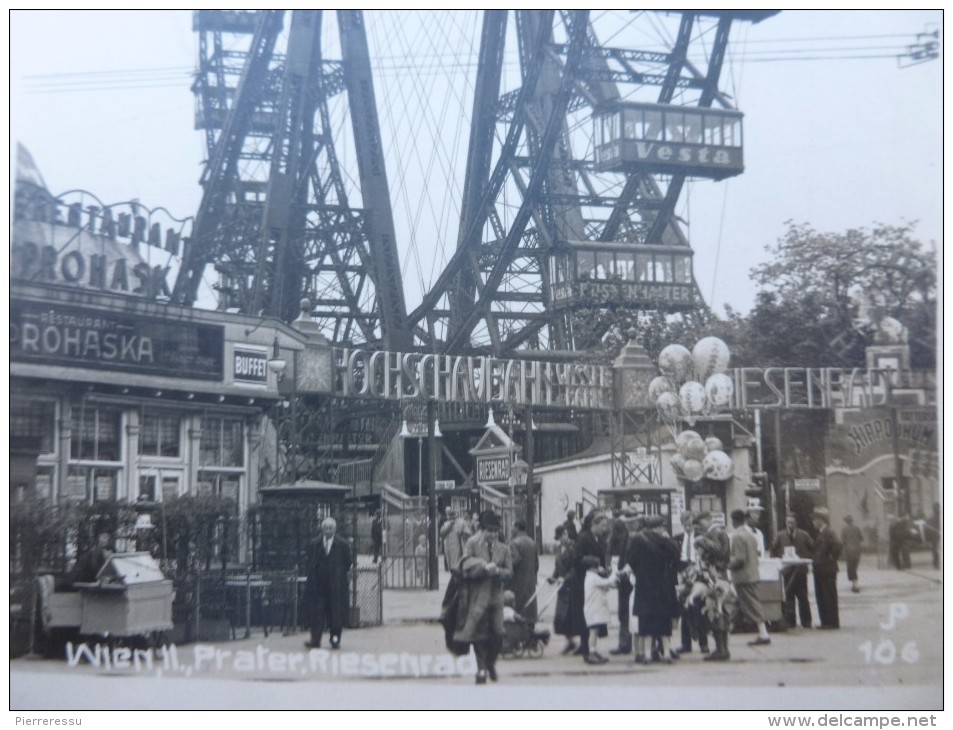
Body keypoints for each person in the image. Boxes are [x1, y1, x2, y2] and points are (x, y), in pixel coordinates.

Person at [454, 510, 513, 684]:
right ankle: (481, 670)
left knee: (498, 633)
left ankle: (490, 663)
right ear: (482, 530)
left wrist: (497, 572)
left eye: (496, 531)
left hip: (495, 596)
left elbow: (510, 573)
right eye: (490, 531)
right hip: (477, 595)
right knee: (479, 634)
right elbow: (463, 564)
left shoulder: (504, 548)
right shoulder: (472, 543)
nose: (493, 535)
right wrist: (482, 567)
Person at [627, 514, 681, 665]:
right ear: (658, 527)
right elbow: (676, 555)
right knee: (663, 624)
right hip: (662, 587)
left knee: (646, 624)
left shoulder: (637, 539)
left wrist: (641, 573)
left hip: (644, 586)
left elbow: (631, 559)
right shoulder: (664, 540)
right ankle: (667, 653)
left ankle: (647, 655)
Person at [567, 509, 611, 660]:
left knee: (591, 615)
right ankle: (587, 649)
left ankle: (588, 647)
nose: (606, 529)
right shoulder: (584, 538)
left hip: (594, 581)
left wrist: (606, 568)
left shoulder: (599, 539)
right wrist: (594, 562)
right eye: (603, 526)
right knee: (586, 615)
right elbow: (576, 559)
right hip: (582, 582)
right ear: (595, 525)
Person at [303, 516, 352, 650]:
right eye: (325, 528)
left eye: (330, 528)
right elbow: (310, 561)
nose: (328, 531)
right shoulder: (314, 543)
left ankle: (335, 640)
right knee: (316, 614)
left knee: (336, 614)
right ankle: (315, 640)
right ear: (322, 529)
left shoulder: (343, 544)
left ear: (335, 529)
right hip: (318, 586)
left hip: (336, 586)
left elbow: (348, 563)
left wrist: (338, 574)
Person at [692, 511, 735, 662]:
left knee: (715, 611)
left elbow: (717, 550)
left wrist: (701, 540)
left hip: (715, 576)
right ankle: (723, 649)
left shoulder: (715, 532)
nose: (699, 526)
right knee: (721, 610)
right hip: (720, 575)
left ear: (708, 520)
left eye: (700, 522)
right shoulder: (719, 532)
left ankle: (721, 649)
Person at [729, 509, 771, 646]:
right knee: (741, 603)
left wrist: (727, 564)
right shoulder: (750, 535)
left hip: (743, 577)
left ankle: (764, 634)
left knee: (752, 605)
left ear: (734, 521)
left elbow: (740, 559)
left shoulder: (737, 536)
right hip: (752, 574)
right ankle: (728, 627)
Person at [770, 514, 814, 629]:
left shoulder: (804, 535)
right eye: (788, 522)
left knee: (803, 596)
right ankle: (790, 621)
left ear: (796, 523)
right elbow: (773, 549)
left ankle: (806, 621)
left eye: (792, 523)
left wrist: (805, 557)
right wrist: (778, 561)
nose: (790, 525)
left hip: (800, 571)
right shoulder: (780, 535)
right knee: (789, 595)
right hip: (787, 571)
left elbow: (812, 548)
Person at [675, 511, 709, 655]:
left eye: (690, 524)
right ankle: (685, 643)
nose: (688, 527)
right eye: (685, 525)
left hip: (698, 573)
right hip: (683, 573)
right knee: (684, 609)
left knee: (699, 608)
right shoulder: (678, 539)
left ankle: (703, 643)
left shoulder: (701, 537)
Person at [608, 509, 634, 655]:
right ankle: (634, 643)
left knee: (624, 612)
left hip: (623, 580)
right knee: (629, 612)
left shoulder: (618, 538)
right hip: (628, 579)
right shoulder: (629, 537)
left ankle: (624, 644)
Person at [811, 508, 842, 630]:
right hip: (820, 569)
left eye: (814, 520)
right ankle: (825, 621)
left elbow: (838, 544)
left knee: (829, 595)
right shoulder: (822, 533)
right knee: (821, 595)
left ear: (820, 520)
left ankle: (832, 622)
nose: (813, 522)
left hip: (827, 569)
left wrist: (831, 557)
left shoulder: (829, 532)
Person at [549, 525, 577, 655]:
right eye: (563, 535)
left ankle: (578, 641)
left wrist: (566, 578)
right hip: (562, 586)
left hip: (571, 586)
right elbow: (558, 565)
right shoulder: (559, 548)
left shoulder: (573, 547)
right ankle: (569, 640)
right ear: (559, 537)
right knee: (561, 616)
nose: (566, 537)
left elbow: (575, 567)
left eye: (566, 534)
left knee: (571, 616)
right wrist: (553, 577)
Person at [582, 559, 616, 665]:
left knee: (594, 631)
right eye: (597, 566)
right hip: (594, 609)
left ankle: (593, 651)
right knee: (593, 631)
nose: (599, 568)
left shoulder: (591, 577)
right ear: (592, 567)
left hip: (594, 608)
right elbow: (609, 582)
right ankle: (591, 652)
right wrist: (615, 570)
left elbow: (605, 586)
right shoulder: (593, 578)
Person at [507, 520, 539, 623]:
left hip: (517, 582)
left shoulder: (514, 543)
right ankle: (530, 629)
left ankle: (518, 631)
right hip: (530, 582)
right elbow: (536, 564)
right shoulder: (532, 542)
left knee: (518, 608)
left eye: (512, 527)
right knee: (530, 608)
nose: (511, 529)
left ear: (516, 527)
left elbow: (514, 561)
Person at [440, 508, 472, 575]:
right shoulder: (446, 524)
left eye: (453, 515)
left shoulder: (462, 522)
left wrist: (462, 533)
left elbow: (468, 534)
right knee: (451, 566)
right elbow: (442, 534)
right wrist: (449, 526)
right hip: (449, 548)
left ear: (455, 515)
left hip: (460, 547)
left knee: (459, 565)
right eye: (450, 515)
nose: (451, 517)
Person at [840, 515, 865, 592]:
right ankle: (854, 583)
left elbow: (842, 541)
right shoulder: (857, 528)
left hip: (849, 551)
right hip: (857, 550)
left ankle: (855, 585)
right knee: (854, 567)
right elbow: (861, 539)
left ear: (846, 521)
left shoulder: (844, 529)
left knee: (851, 568)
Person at [925, 502, 941, 570]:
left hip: (935, 536)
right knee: (935, 550)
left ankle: (936, 564)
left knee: (935, 550)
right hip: (936, 536)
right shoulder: (934, 517)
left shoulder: (931, 518)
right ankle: (936, 564)